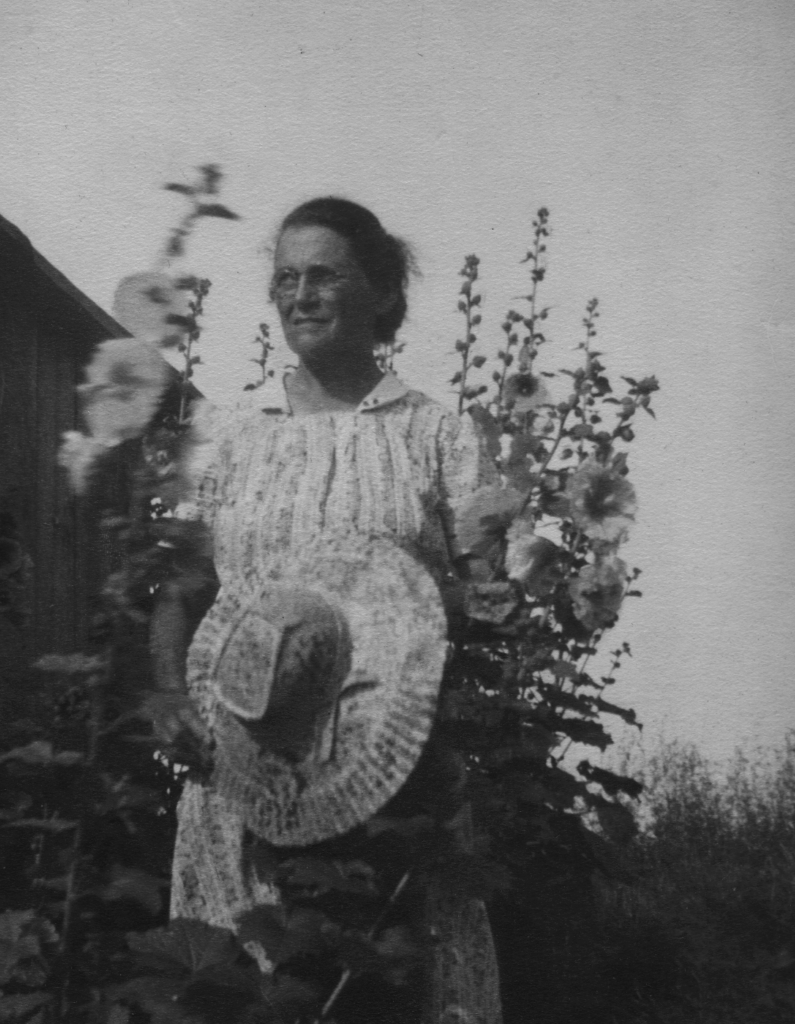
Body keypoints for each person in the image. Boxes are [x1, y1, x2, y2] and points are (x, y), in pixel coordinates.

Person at [153, 197, 503, 1024]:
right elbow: (178, 582)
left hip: (391, 772)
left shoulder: (436, 436)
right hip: (244, 758)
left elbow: (487, 594)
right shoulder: (230, 429)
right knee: (245, 984)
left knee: (379, 985)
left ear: (382, 292)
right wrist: (168, 691)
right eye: (285, 279)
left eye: (324, 276)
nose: (299, 295)